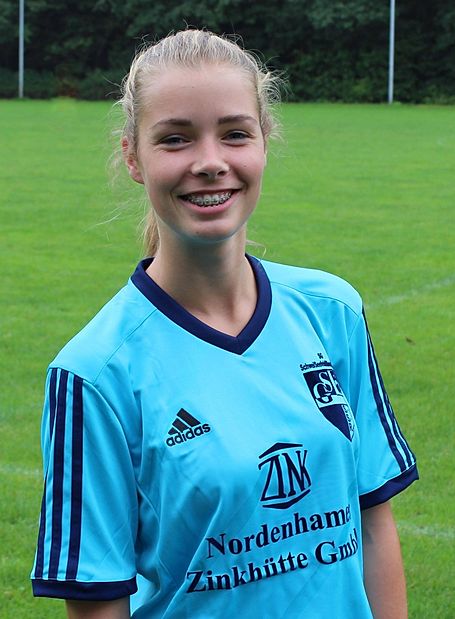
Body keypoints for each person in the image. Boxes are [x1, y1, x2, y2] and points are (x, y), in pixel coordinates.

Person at [31, 29, 418, 619]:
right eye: (175, 139)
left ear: (264, 141)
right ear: (133, 157)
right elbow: (98, 602)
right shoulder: (94, 376)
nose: (211, 163)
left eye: (235, 133)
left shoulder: (331, 311)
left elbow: (372, 523)